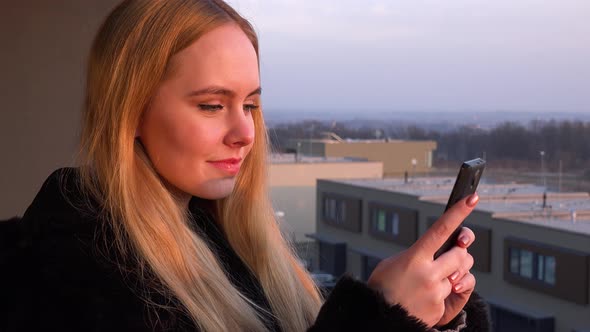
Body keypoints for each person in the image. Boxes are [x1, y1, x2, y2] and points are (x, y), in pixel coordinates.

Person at [4, 0, 490, 331]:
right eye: (213, 105)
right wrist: (383, 316)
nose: (245, 134)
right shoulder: (71, 281)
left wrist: (432, 319)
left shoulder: (226, 240)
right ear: (130, 111)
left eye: (251, 105)